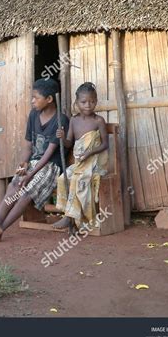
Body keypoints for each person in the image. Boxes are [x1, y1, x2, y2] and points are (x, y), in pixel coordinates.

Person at [0, 78, 69, 242]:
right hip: (34, 163)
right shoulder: (33, 115)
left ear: (49, 99)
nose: (32, 101)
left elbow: (48, 154)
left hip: (50, 167)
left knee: (26, 191)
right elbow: (28, 146)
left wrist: (31, 174)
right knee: (14, 184)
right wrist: (25, 163)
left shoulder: (60, 120)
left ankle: (0, 228)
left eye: (36, 97)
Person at [53, 82, 108, 235]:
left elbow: (105, 145)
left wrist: (89, 153)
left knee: (79, 180)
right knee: (63, 178)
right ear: (76, 103)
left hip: (94, 163)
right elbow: (69, 143)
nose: (88, 105)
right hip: (80, 163)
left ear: (96, 101)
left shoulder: (98, 121)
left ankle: (69, 217)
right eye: (84, 102)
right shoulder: (74, 121)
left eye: (92, 101)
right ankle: (70, 216)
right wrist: (63, 138)